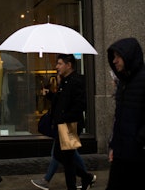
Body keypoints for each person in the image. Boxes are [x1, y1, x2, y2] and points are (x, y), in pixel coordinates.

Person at [44, 54, 96, 190]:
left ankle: (82, 180)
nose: (57, 67)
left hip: (70, 125)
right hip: (63, 125)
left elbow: (80, 105)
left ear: (69, 65)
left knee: (65, 159)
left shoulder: (76, 81)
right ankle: (86, 177)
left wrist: (64, 118)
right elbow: (61, 101)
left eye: (60, 64)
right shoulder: (65, 81)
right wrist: (50, 95)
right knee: (63, 158)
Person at [105, 37, 145, 190]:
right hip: (121, 153)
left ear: (129, 56)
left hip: (138, 154)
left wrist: (139, 140)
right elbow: (118, 118)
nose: (114, 61)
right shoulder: (123, 82)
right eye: (113, 57)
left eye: (118, 56)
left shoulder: (142, 79)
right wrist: (113, 146)